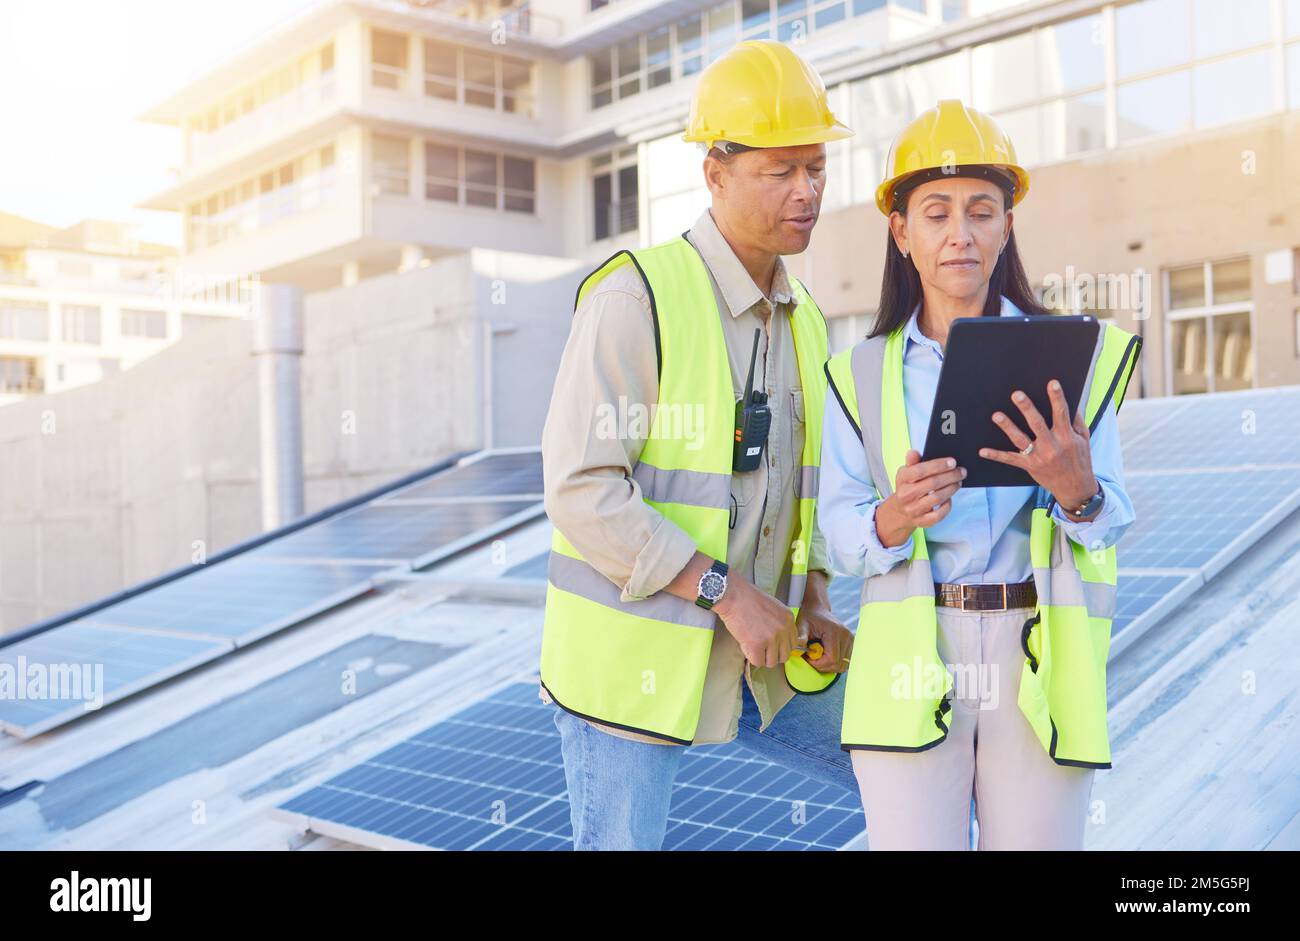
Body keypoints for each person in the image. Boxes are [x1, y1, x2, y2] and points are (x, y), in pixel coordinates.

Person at [538, 39, 858, 850]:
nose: (807, 191)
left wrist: (814, 592)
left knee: (916, 758)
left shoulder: (809, 320)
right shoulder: (634, 296)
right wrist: (724, 590)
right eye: (781, 170)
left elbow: (807, 482)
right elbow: (582, 488)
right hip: (630, 669)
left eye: (816, 168)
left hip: (766, 654)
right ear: (714, 172)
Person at [818, 99, 1144, 850]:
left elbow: (1115, 513)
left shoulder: (1075, 357)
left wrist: (1077, 491)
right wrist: (893, 516)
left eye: (981, 210)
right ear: (900, 232)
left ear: (1007, 225)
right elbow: (836, 535)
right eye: (935, 213)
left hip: (1035, 654)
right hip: (913, 653)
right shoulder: (856, 375)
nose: (959, 233)